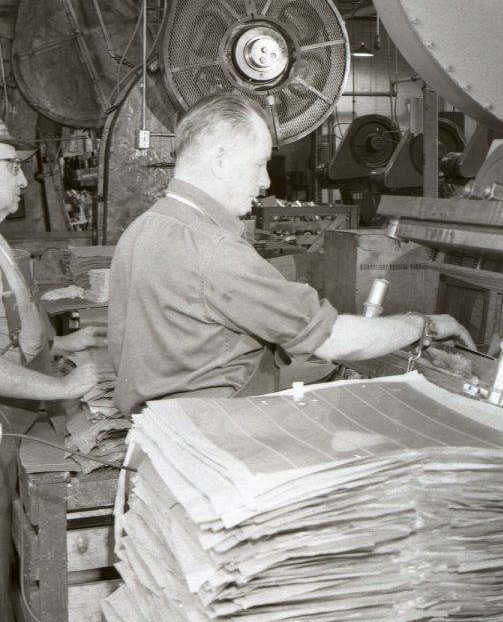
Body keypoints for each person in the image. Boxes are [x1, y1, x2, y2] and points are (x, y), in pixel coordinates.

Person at [108, 93, 474, 416]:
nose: (266, 181)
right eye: (259, 164)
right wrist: (423, 324)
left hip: (159, 428)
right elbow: (334, 340)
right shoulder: (216, 251)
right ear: (220, 160)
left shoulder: (141, 230)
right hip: (215, 433)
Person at [0, 124, 103, 622]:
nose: (22, 180)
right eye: (10, 167)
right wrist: (64, 385)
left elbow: (13, 330)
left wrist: (63, 342)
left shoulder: (0, 240)